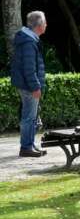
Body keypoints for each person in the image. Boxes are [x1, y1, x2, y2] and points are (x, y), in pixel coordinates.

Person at [10, 11, 47, 157]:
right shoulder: (29, 42)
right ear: (38, 25)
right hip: (28, 86)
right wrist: (35, 87)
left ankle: (30, 145)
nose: (46, 25)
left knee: (31, 117)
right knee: (28, 117)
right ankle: (26, 147)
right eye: (44, 22)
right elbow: (29, 68)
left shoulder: (29, 40)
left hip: (27, 85)